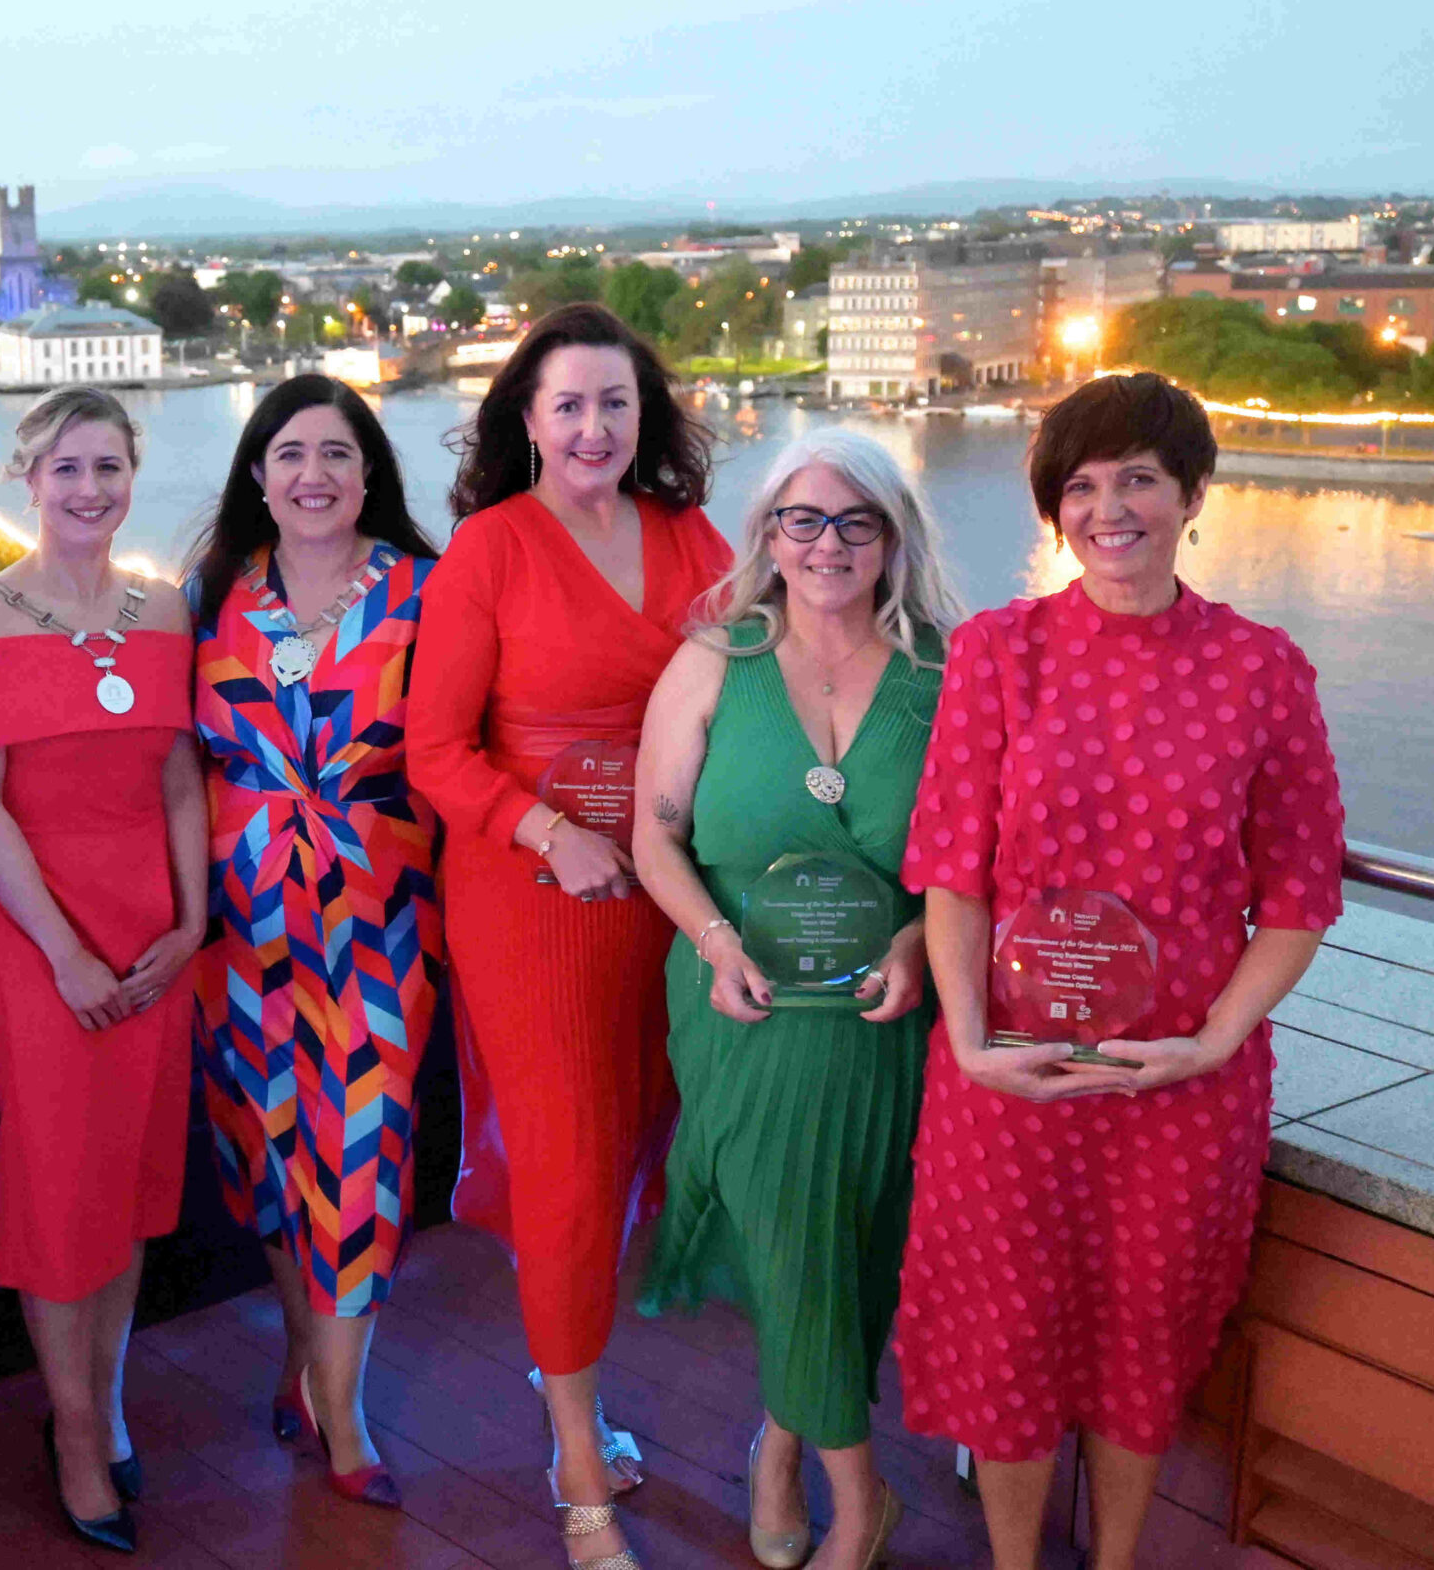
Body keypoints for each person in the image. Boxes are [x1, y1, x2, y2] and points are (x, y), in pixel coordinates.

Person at [897, 372, 1345, 1570]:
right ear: (1054, 510)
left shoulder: (1262, 670)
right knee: (1009, 1346)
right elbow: (951, 871)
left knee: (1140, 1347)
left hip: (1178, 1089)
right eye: (1081, 487)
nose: (1110, 509)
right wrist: (972, 1040)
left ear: (1192, 495)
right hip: (1009, 1084)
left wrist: (1211, 1043)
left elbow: (1299, 897)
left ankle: (1117, 1559)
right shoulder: (998, 653)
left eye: (1138, 479)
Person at [409, 303, 730, 1570]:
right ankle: (578, 1453)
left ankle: (582, 1405)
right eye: (568, 405)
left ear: (640, 417)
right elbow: (434, 749)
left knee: (639, 1141)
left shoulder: (689, 533)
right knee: (569, 1168)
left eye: (614, 402)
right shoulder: (487, 549)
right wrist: (548, 833)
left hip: (667, 888)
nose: (594, 426)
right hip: (537, 896)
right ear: (526, 422)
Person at [631, 432, 966, 1570]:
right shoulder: (712, 660)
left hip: (889, 1014)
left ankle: (781, 1443)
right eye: (802, 520)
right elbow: (654, 835)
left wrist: (923, 937)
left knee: (851, 1244)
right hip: (746, 1002)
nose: (826, 545)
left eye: (854, 521)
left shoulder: (944, 672)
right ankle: (861, 1502)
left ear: (892, 536)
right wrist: (716, 943)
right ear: (768, 533)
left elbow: (981, 859)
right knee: (791, 1235)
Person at [0, 387, 206, 1557]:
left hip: (153, 931)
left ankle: (111, 1389)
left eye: (108, 466)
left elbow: (181, 778)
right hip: (40, 940)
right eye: (65, 468)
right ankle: (77, 1433)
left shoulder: (165, 610)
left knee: (129, 1178)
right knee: (55, 1184)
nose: (88, 489)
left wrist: (192, 924)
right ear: (26, 478)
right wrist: (66, 951)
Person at [180, 375, 447, 1508]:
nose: (313, 476)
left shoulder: (428, 593)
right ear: (257, 475)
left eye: (337, 454)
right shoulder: (211, 597)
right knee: (271, 1162)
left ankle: (344, 1416)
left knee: (362, 1159)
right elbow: (170, 762)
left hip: (376, 919)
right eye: (290, 454)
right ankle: (307, 1368)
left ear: (371, 473)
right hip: (237, 930)